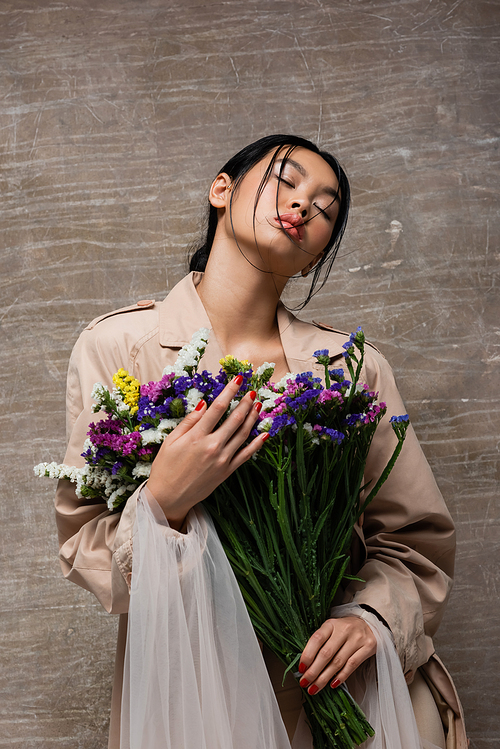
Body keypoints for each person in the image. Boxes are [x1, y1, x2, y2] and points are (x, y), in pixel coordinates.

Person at [55, 134, 467, 748]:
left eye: (326, 209)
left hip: (350, 693)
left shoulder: (351, 369)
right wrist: (163, 502)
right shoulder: (121, 349)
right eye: (286, 180)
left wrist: (373, 619)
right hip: (201, 698)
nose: (304, 206)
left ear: (314, 256)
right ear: (222, 190)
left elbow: (414, 545)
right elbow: (86, 543)